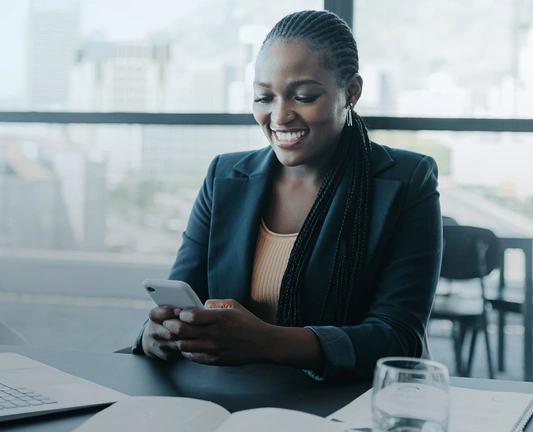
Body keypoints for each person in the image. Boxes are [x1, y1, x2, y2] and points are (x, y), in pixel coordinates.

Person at [131, 10, 442, 381]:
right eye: (264, 97)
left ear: (352, 92)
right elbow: (183, 298)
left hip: (343, 403)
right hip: (227, 397)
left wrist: (268, 343)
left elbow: (399, 337)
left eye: (303, 96)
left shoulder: (406, 181)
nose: (279, 116)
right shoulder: (226, 177)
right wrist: (158, 335)